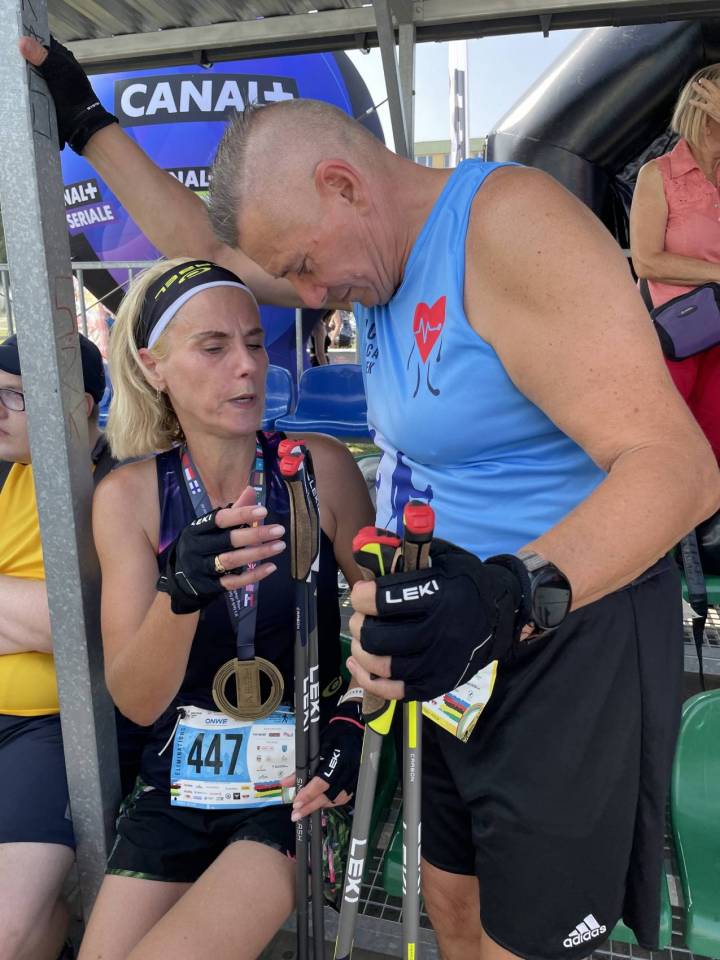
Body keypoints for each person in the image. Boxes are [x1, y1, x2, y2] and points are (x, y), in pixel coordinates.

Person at [25, 37, 720, 960]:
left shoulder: (505, 225)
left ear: (343, 185)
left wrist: (514, 591)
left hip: (560, 624)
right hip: (456, 631)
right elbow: (211, 251)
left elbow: (680, 469)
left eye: (305, 268)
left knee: (527, 942)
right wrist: (88, 124)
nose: (312, 297)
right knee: (453, 902)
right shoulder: (368, 253)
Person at [79, 258, 372, 960]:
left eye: (254, 343)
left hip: (298, 779)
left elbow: (383, 622)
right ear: (153, 367)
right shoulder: (129, 497)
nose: (247, 366)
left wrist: (353, 719)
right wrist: (182, 592)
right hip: (177, 778)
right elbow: (137, 700)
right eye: (213, 348)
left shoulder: (319, 467)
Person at [0, 332, 107, 960]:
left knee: (9, 930)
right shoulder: (5, 470)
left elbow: (73, 625)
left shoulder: (112, 483)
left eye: (13, 396)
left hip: (51, 730)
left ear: (79, 406)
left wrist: (44, 618)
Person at [631, 64, 720, 460]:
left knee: (715, 442)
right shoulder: (659, 175)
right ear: (703, 110)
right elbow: (646, 261)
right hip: (675, 331)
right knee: (669, 444)